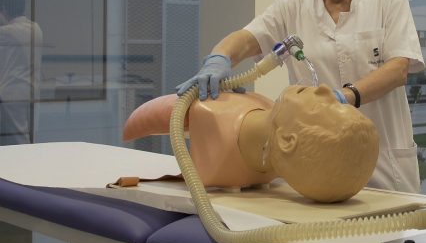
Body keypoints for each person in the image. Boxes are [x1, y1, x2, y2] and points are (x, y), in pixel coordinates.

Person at [176, 0, 425, 193]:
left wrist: (344, 97)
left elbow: (398, 68)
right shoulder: (290, 8)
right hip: (314, 168)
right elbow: (246, 38)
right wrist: (219, 59)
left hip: (386, 167)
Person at [124, 84, 379, 203]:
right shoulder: (264, 104)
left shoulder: (208, 114)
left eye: (325, 105)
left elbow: (137, 123)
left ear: (287, 141)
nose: (325, 89)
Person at [0, 0, 43, 145]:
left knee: (18, 140)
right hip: (31, 91)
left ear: (4, 8)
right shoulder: (36, 28)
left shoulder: (8, 31)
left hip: (11, 94)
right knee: (27, 136)